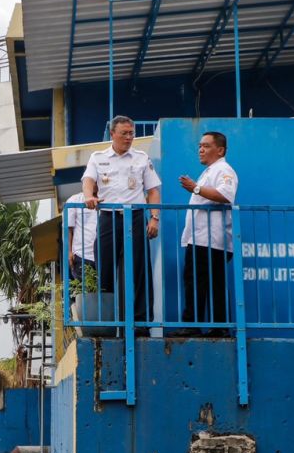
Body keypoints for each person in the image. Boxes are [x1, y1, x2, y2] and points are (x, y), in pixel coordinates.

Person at [82, 116, 161, 329]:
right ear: (113, 134)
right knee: (104, 269)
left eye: (131, 133)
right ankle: (107, 322)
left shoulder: (141, 158)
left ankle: (142, 321)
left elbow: (153, 190)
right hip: (108, 217)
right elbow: (88, 180)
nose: (129, 137)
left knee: (139, 269)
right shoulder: (98, 157)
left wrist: (154, 217)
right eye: (124, 133)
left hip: (135, 217)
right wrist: (89, 196)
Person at [179, 131, 238, 337]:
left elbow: (225, 194)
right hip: (201, 239)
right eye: (199, 146)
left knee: (207, 282)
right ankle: (207, 326)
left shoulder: (223, 169)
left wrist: (195, 188)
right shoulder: (210, 171)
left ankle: (209, 326)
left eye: (206, 146)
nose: (200, 150)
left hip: (211, 240)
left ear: (220, 150)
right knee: (200, 282)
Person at [64, 191, 97, 286]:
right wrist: (69, 252)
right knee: (87, 293)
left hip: (105, 255)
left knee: (107, 292)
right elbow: (67, 229)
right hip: (82, 256)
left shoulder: (107, 197)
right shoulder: (74, 200)